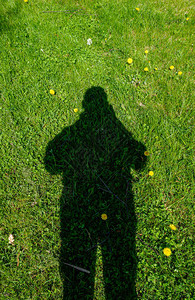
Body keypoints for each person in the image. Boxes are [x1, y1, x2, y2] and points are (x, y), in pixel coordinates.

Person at [44, 87, 147, 299]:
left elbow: (51, 164)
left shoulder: (73, 132)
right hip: (116, 204)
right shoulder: (118, 130)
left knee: (79, 265)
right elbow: (140, 159)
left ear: (84, 106)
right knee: (119, 263)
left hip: (80, 206)